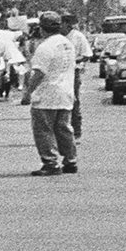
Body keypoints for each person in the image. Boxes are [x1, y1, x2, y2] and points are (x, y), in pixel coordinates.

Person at [23, 10, 79, 175]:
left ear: (42, 28)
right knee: (64, 129)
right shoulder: (67, 44)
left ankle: (51, 162)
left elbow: (39, 73)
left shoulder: (45, 47)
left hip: (47, 95)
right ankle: (70, 161)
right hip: (65, 94)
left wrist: (27, 93)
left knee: (44, 130)